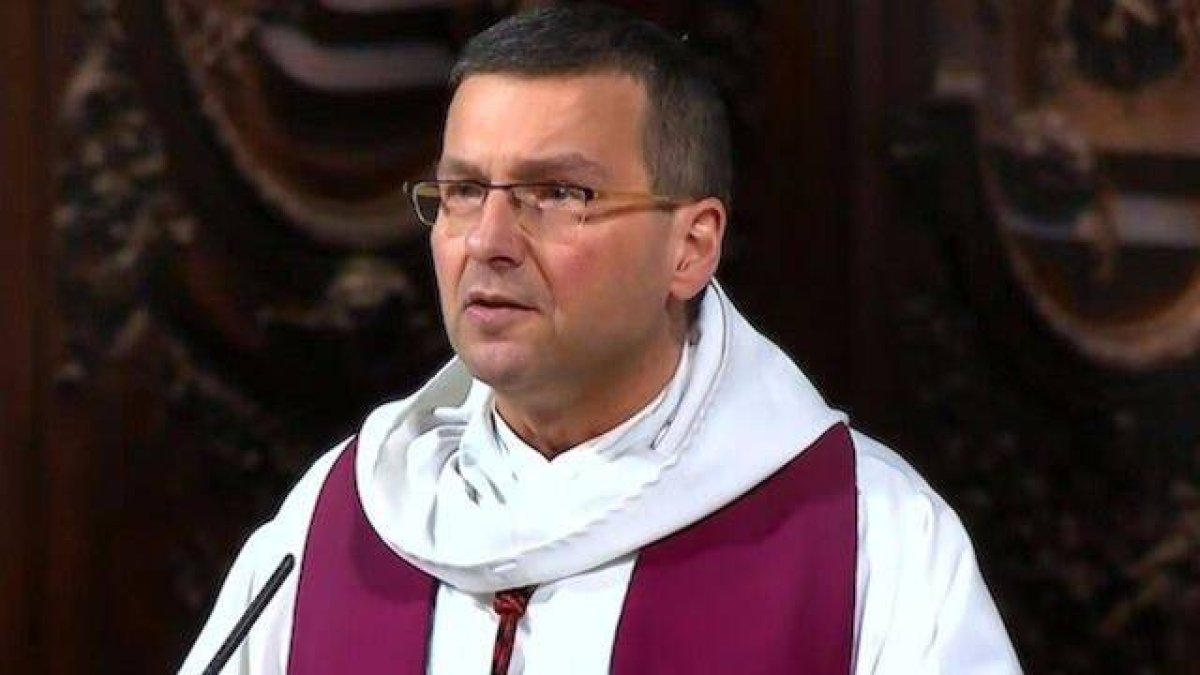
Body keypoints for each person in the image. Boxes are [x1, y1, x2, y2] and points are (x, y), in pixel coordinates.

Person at [180, 4, 1023, 674]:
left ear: (691, 247)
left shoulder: (871, 538)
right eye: (465, 190)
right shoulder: (343, 517)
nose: (489, 239)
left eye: (560, 192)